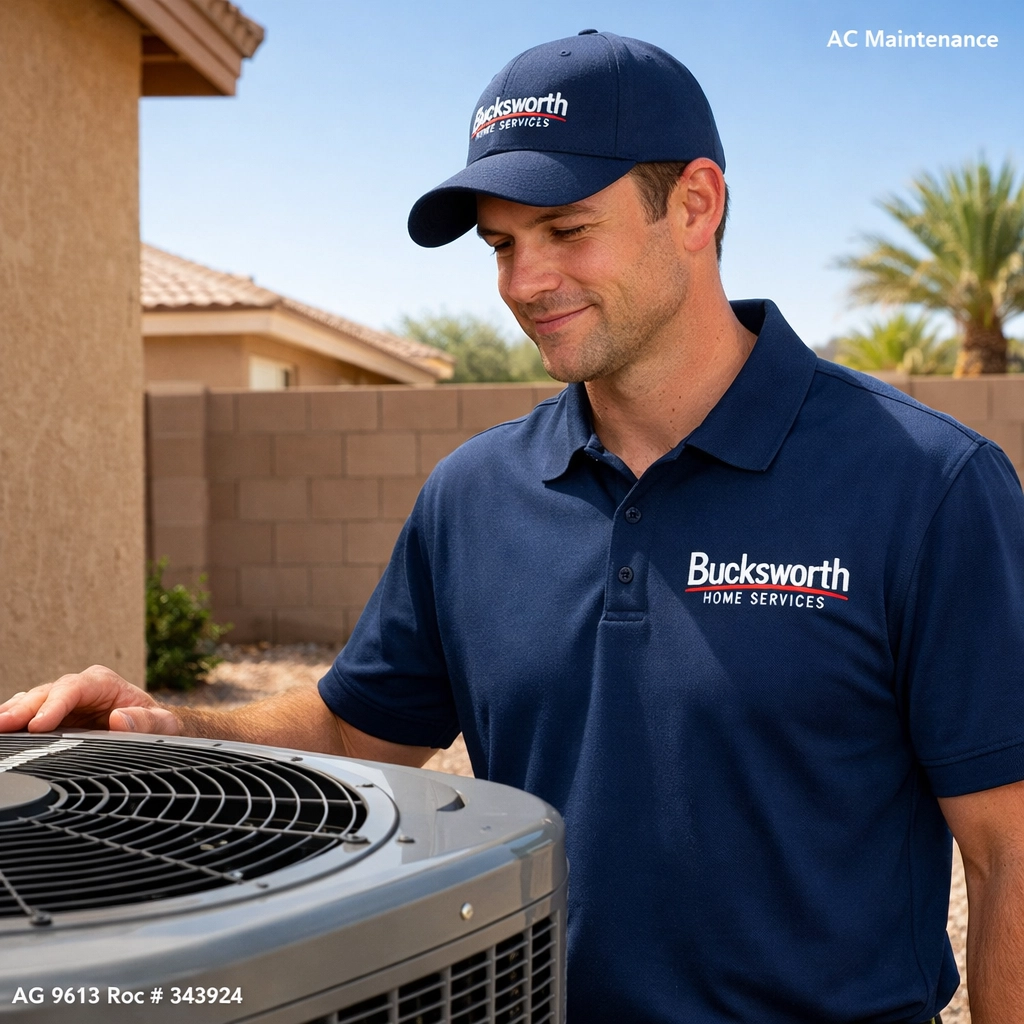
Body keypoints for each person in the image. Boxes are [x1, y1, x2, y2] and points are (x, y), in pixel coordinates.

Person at [3, 30, 1024, 1024]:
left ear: (696, 205)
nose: (522, 284)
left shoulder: (926, 484)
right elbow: (356, 731)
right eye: (501, 244)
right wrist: (175, 734)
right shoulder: (473, 494)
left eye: (566, 229)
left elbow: (1006, 851)